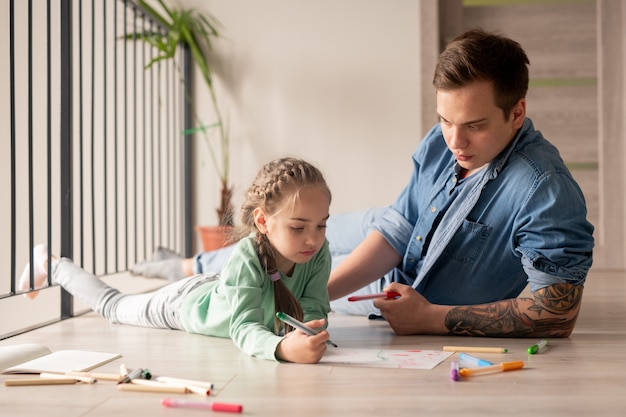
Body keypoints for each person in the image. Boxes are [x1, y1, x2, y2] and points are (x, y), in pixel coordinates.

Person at [133, 28, 595, 339]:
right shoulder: (445, 139)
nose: (454, 140)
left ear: (517, 112)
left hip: (405, 288)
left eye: (473, 125)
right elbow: (397, 230)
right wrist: (307, 295)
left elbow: (557, 313)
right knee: (276, 240)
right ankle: (183, 266)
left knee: (287, 264)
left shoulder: (545, 191)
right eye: (444, 120)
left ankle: (180, 272)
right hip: (393, 233)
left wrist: (428, 319)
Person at [19, 157, 334, 363]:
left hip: (218, 289)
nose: (313, 238)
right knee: (113, 307)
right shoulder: (247, 256)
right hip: (183, 304)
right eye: (298, 227)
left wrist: (308, 330)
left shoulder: (318, 252)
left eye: (322, 224)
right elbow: (244, 328)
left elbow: (316, 306)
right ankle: (51, 264)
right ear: (263, 221)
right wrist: (281, 348)